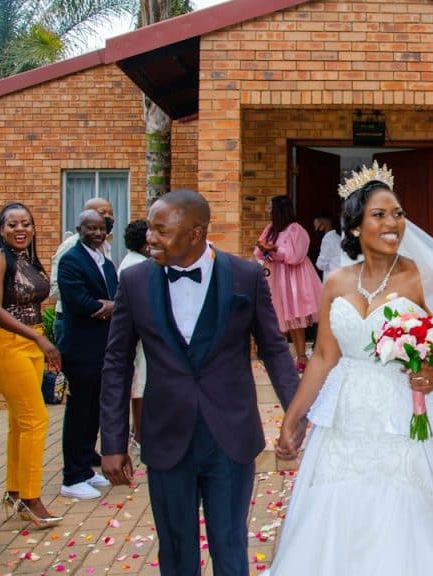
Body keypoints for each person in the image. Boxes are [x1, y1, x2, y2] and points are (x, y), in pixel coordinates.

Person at [267, 164, 433, 576]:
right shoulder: (337, 282)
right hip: (345, 416)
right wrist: (293, 417)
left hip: (404, 413)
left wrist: (432, 374)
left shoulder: (419, 277)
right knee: (338, 507)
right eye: (380, 214)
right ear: (356, 226)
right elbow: (324, 356)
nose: (393, 222)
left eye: (397, 213)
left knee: (410, 510)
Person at [100, 188, 300, 576]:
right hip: (165, 436)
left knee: (230, 546)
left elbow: (274, 349)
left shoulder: (245, 276)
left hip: (231, 437)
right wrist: (113, 442)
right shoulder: (135, 281)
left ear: (195, 234)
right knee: (175, 551)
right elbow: (116, 362)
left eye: (161, 230)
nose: (150, 238)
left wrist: (295, 414)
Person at [0, 202, 63, 529]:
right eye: (12, 224)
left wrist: (41, 340)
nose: (20, 229)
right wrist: (40, 339)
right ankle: (31, 498)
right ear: (1, 230)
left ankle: (14, 491)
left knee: (20, 419)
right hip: (6, 341)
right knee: (36, 419)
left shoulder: (28, 260)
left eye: (26, 224)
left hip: (32, 341)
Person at [57, 211, 117, 500]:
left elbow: (117, 297)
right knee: (79, 411)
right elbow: (77, 300)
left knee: (94, 410)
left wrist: (108, 306)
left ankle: (85, 469)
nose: (96, 232)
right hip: (80, 347)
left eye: (101, 228)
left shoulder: (105, 262)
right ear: (79, 228)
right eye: (90, 228)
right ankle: (71, 477)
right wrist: (106, 307)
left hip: (102, 347)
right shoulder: (71, 260)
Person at [254, 195, 323, 372]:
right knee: (278, 318)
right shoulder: (271, 229)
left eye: (271, 207)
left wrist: (276, 248)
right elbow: (258, 252)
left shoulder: (296, 230)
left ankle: (301, 358)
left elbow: (296, 255)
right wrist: (263, 249)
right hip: (276, 276)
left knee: (295, 317)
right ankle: (279, 359)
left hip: (294, 277)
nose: (269, 210)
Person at [49, 198, 114, 348]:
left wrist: (113, 306)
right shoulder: (71, 247)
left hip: (102, 325)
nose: (108, 217)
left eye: (111, 213)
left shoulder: (104, 248)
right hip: (73, 322)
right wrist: (97, 305)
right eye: (102, 213)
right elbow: (55, 288)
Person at [116, 220, 149, 449]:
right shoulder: (134, 265)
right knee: (140, 385)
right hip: (138, 336)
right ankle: (139, 434)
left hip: (140, 334)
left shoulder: (136, 261)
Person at [313, 214, 342, 280]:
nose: (315, 229)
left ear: (322, 225)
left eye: (316, 226)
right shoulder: (338, 237)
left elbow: (320, 265)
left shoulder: (327, 240)